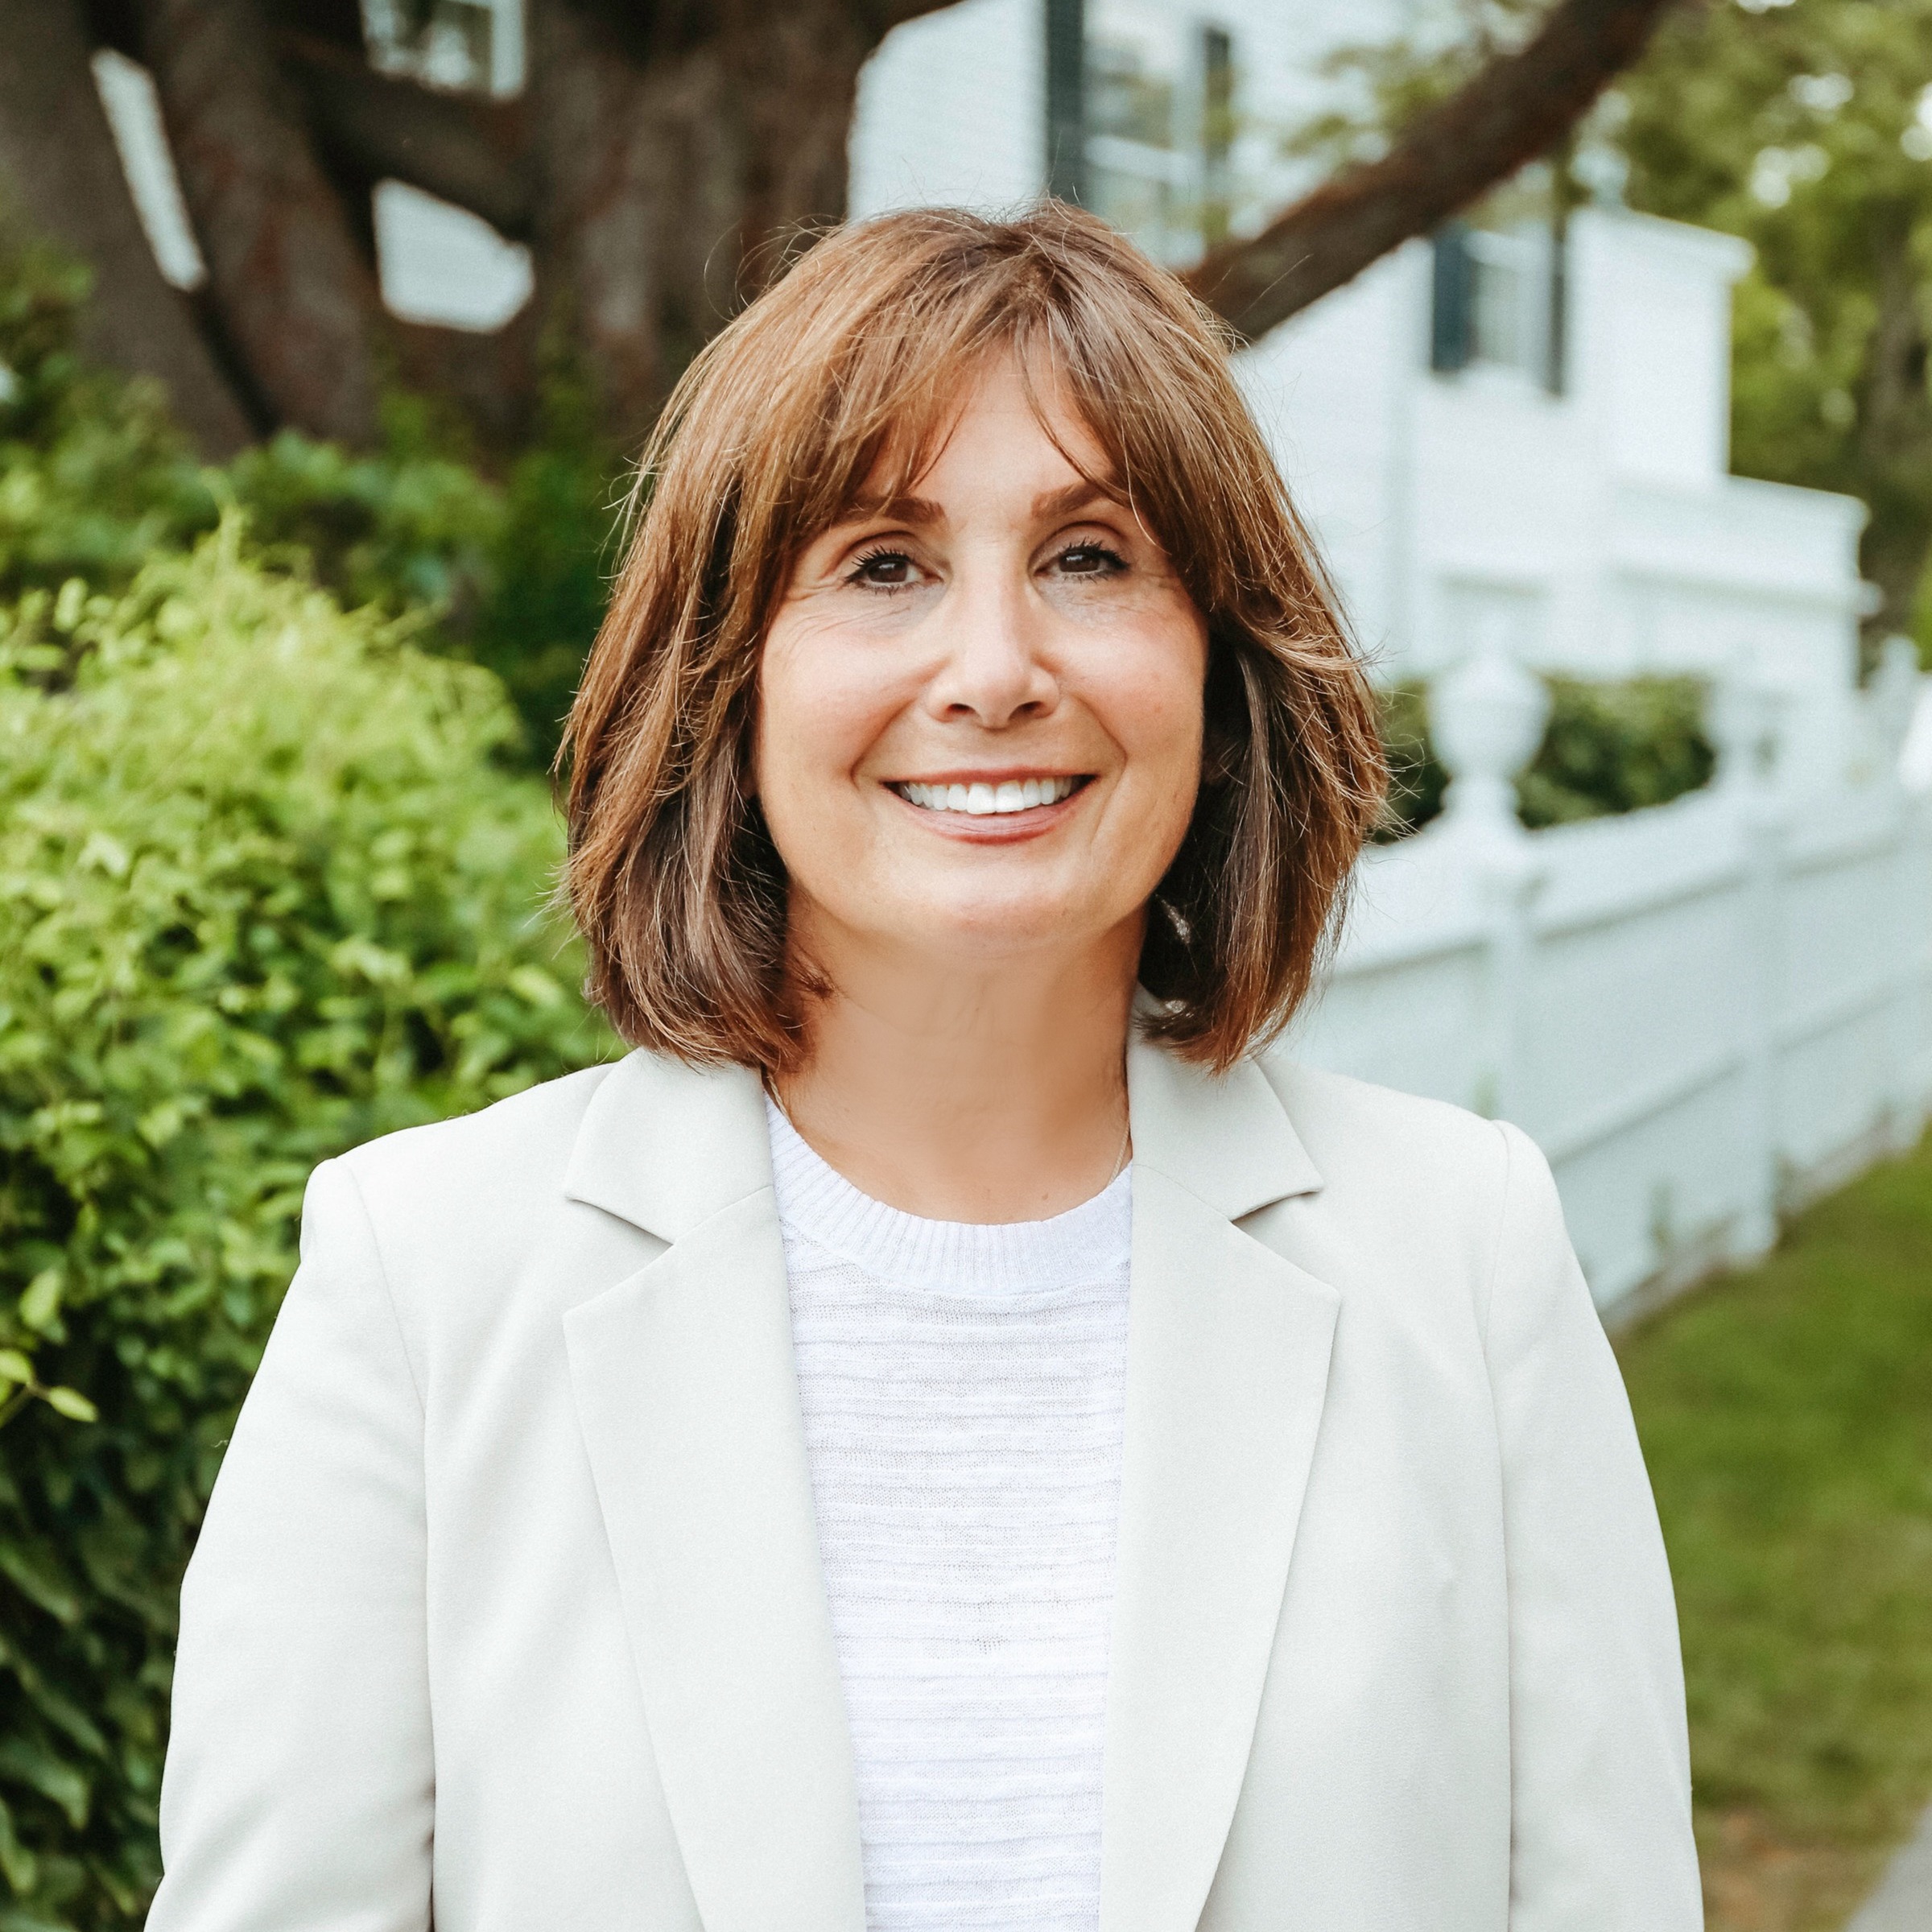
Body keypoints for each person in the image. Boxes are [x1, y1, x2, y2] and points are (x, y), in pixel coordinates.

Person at [147, 205, 1702, 1932]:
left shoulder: (1462, 1256)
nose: (992, 672)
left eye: (1091, 558)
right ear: (723, 678)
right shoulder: (428, 1281)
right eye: (882, 566)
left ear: (1221, 661)